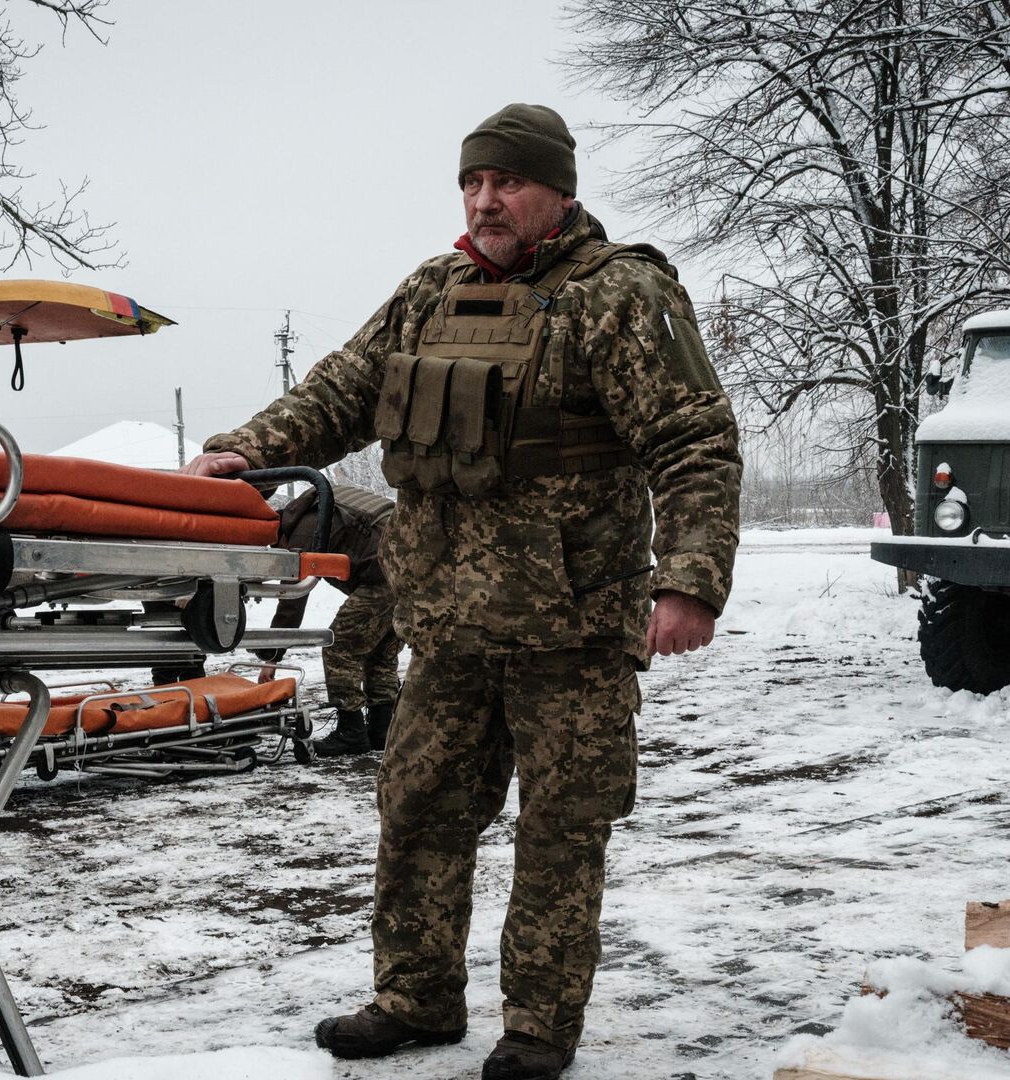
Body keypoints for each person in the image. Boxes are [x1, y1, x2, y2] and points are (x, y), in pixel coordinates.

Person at [185, 103, 740, 1080]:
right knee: (418, 811)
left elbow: (694, 446)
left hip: (569, 627)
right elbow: (339, 391)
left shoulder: (620, 297)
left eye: (508, 183)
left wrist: (688, 581)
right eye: (473, 183)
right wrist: (253, 449)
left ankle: (537, 1027)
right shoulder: (429, 292)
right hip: (445, 626)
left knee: (561, 829)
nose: (486, 201)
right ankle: (415, 998)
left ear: (558, 191)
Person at [262, 482, 401, 757]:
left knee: (339, 646)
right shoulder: (320, 503)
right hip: (414, 569)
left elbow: (292, 599)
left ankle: (351, 732)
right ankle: (381, 730)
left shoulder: (302, 531)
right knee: (380, 651)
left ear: (278, 535)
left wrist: (272, 658)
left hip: (384, 575)